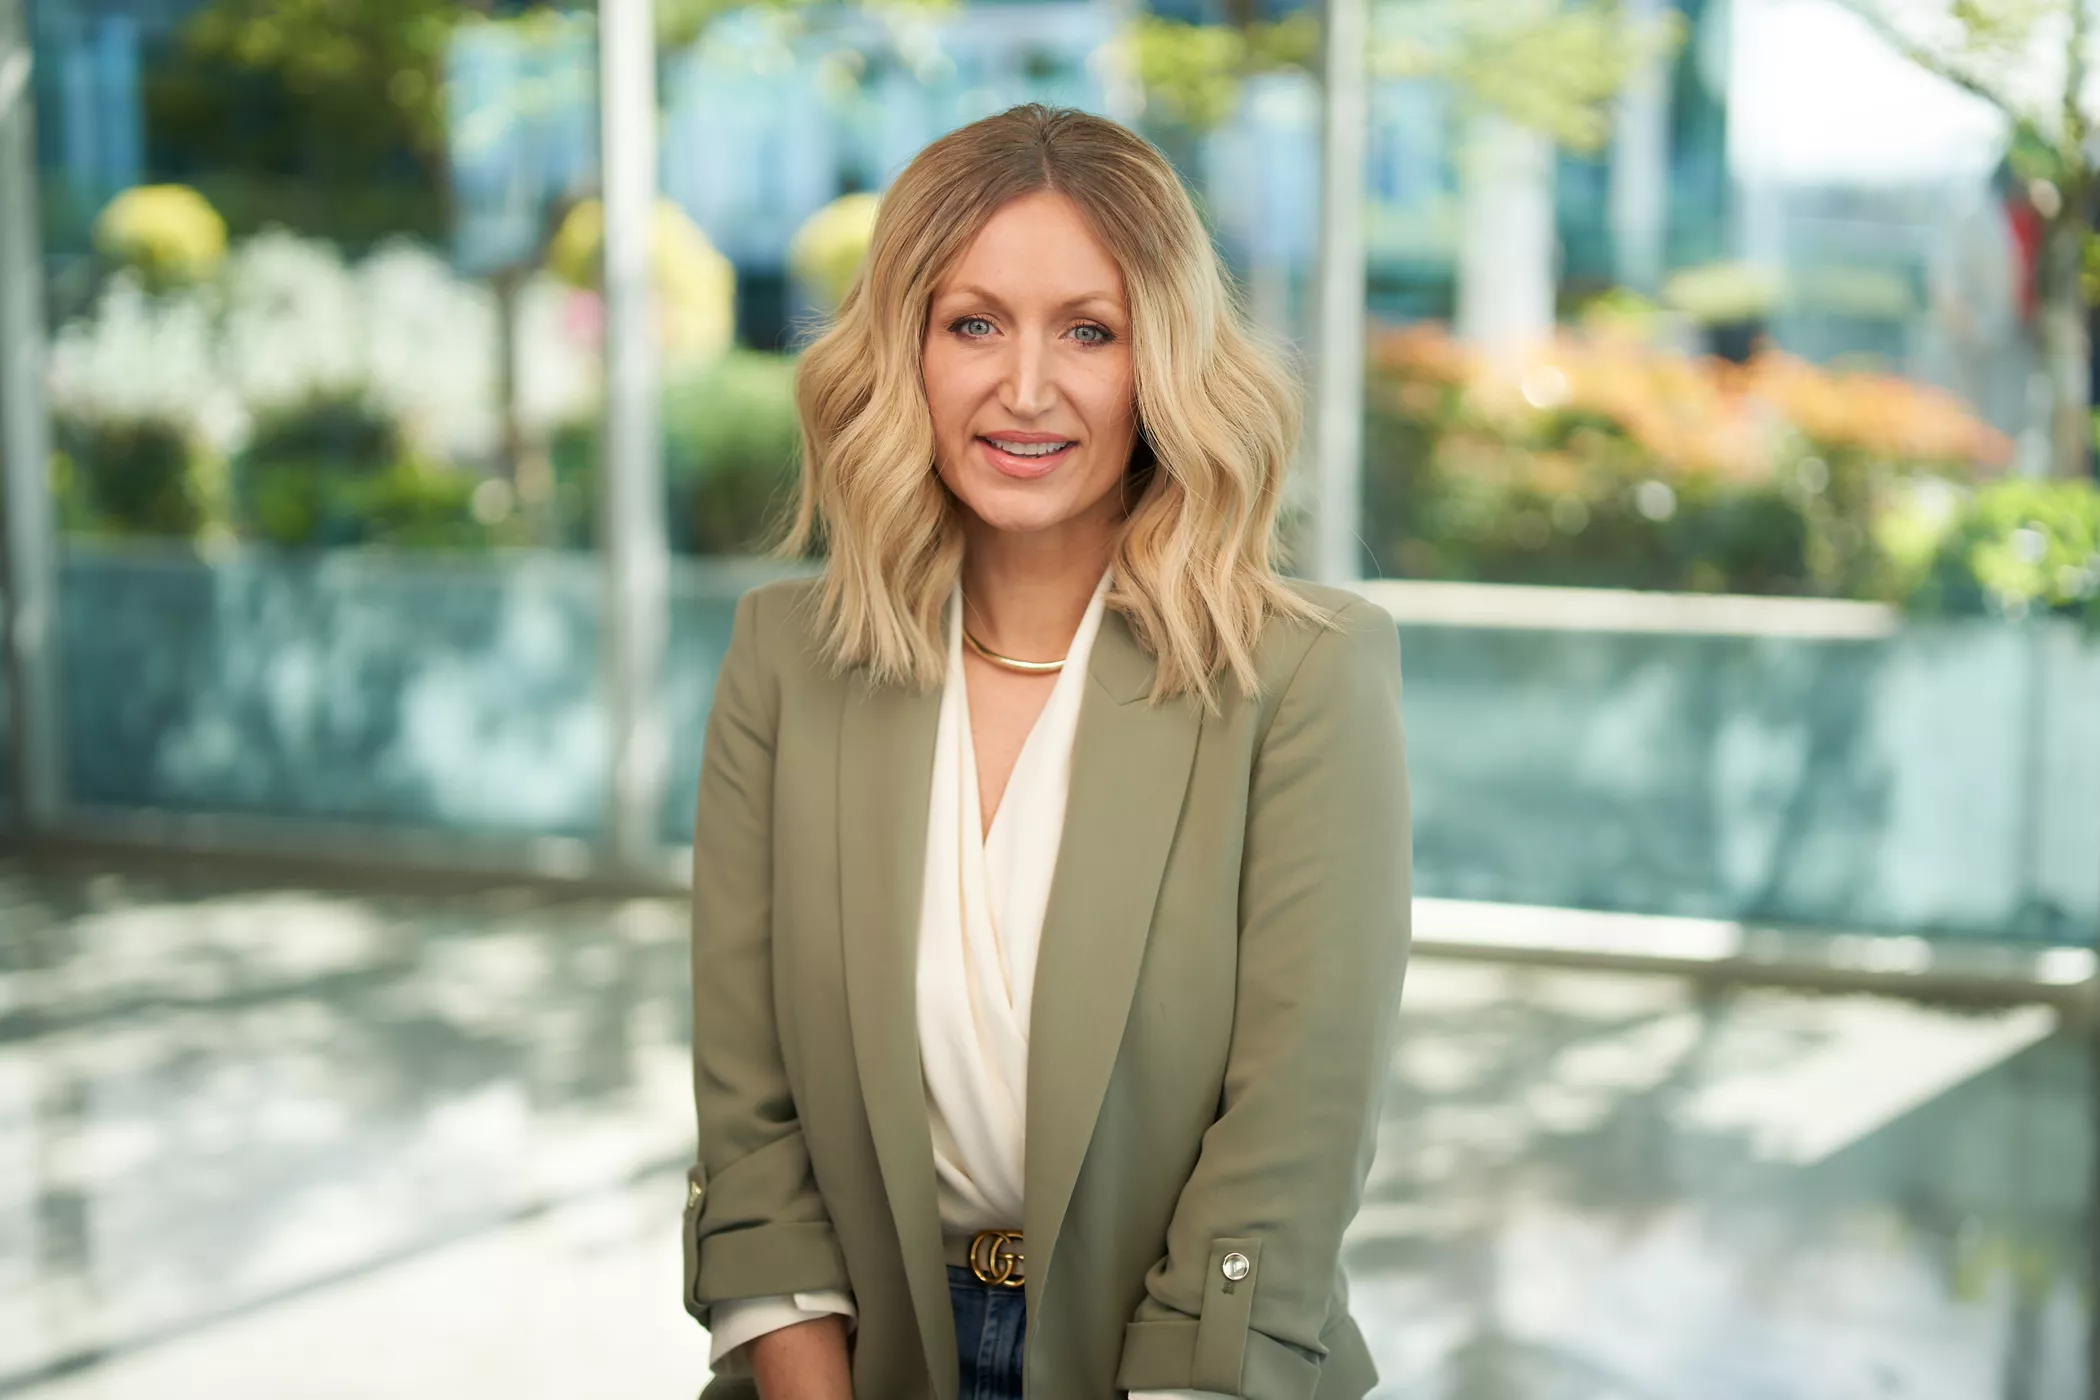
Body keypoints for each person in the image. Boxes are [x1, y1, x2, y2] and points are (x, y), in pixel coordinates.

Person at [681, 103, 1412, 1400]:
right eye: (974, 324)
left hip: (1183, 1366)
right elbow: (751, 1116)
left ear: (1162, 361)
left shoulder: (1306, 676)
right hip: (850, 1360)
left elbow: (1293, 1137)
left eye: (1090, 330)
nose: (1026, 389)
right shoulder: (784, 658)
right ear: (904, 350)